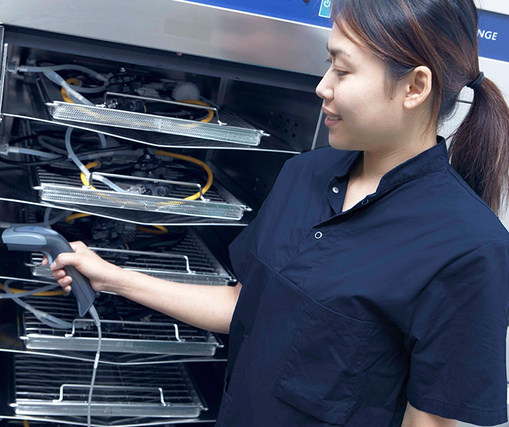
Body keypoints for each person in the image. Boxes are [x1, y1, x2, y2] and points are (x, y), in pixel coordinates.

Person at [46, 0, 509, 425]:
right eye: (329, 63)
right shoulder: (303, 174)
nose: (322, 86)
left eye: (343, 70)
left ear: (415, 86)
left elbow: (429, 421)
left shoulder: (470, 249)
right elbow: (244, 304)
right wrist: (110, 276)